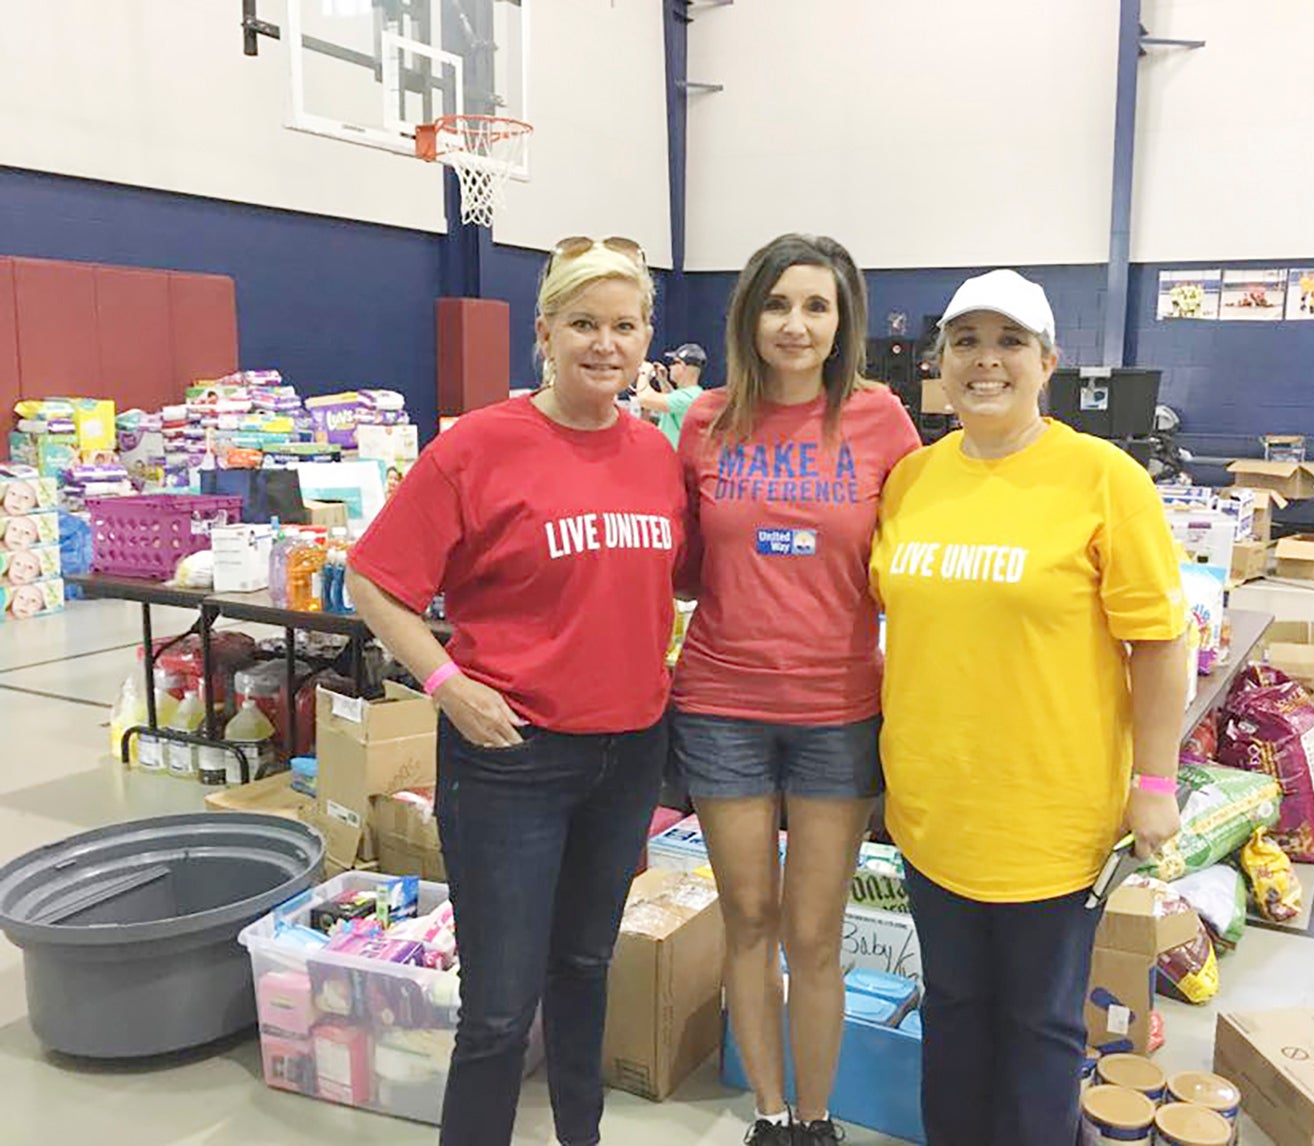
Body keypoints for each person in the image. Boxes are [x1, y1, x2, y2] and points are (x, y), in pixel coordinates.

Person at [346, 236, 686, 1146]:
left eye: (624, 325)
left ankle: (582, 1134)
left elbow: (671, 580)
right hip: (510, 761)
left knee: (585, 964)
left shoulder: (655, 456)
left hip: (629, 754)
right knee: (498, 1009)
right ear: (545, 332)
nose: (604, 344)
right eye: (583, 323)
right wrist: (448, 682)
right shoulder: (481, 447)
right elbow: (373, 580)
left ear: (647, 336)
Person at [869, 269, 1188, 1146]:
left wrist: (1153, 781)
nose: (986, 362)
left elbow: (1161, 642)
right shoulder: (912, 481)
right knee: (956, 1015)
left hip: (1051, 821)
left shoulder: (1103, 480)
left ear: (1047, 362)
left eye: (1009, 343)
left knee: (1040, 1032)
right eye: (966, 342)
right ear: (940, 365)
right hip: (935, 813)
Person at [672, 233, 921, 1146]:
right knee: (748, 917)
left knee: (814, 934)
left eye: (817, 306)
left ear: (842, 321)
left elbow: (914, 559)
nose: (796, 324)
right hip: (722, 703)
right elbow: (687, 570)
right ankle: (769, 1117)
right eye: (779, 304)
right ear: (749, 315)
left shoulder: (882, 420)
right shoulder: (704, 421)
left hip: (838, 713)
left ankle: (817, 1120)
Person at [634, 342, 708, 447]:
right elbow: (672, 401)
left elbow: (644, 399)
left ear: (682, 366)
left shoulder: (689, 397)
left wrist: (644, 371)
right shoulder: (692, 394)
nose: (670, 367)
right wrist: (662, 379)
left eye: (674, 363)